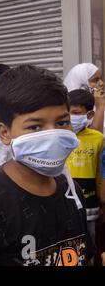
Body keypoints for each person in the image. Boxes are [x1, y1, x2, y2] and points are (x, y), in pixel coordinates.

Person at [0, 64, 94, 266]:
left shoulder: (72, 192)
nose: (52, 135)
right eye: (35, 126)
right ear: (5, 133)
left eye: (62, 123)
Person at [66, 89, 102, 247]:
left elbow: (101, 173)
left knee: (89, 244)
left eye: (75, 112)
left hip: (90, 204)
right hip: (64, 203)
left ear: (89, 115)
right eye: (67, 112)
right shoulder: (59, 136)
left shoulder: (98, 139)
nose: (69, 117)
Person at [64, 63, 105, 133]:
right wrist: (100, 107)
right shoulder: (69, 107)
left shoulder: (97, 103)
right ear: (82, 85)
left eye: (100, 79)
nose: (101, 83)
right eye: (95, 80)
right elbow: (94, 139)